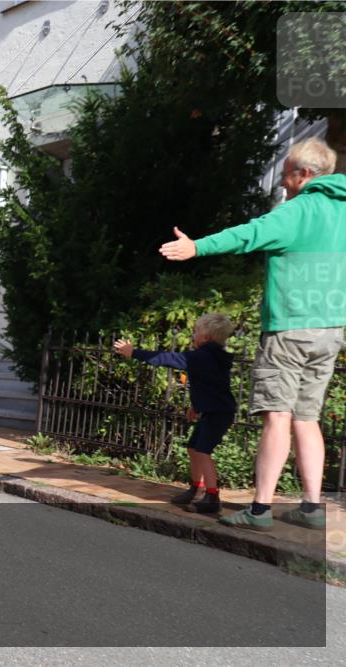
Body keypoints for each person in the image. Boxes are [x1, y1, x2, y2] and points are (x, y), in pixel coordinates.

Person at [160, 137, 346, 531]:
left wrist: (197, 247)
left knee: (277, 417)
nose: (281, 183)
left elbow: (248, 233)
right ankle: (312, 508)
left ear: (304, 175)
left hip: (289, 329)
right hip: (331, 330)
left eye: (285, 175)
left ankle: (260, 510)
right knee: (307, 418)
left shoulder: (298, 211)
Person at [114, 313, 238, 514]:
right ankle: (196, 488)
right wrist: (196, 406)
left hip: (218, 412)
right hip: (214, 410)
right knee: (193, 448)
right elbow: (211, 385)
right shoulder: (212, 357)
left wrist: (134, 352)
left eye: (196, 332)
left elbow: (167, 359)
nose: (193, 335)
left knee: (203, 452)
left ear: (206, 337)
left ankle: (212, 497)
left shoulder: (201, 356)